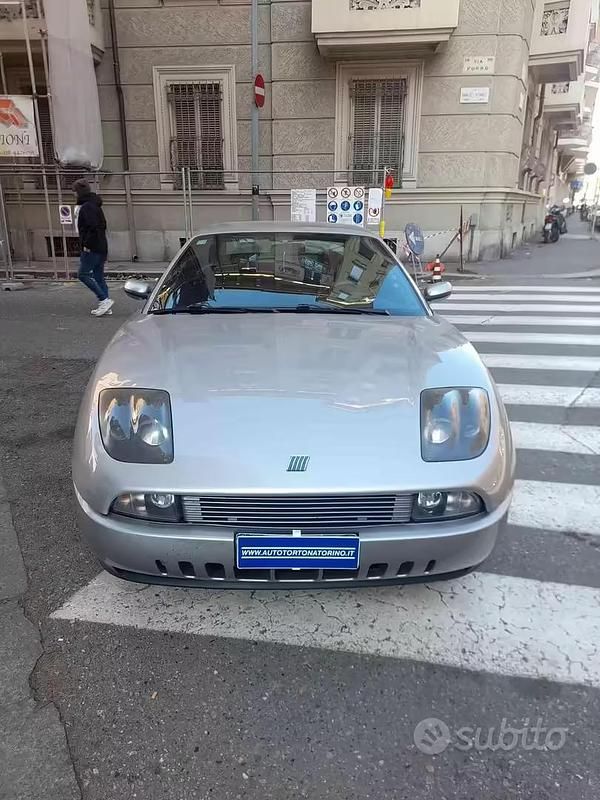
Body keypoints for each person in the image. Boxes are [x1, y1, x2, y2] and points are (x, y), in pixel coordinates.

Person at [73, 178, 113, 316]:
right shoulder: (95, 205)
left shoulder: (87, 207)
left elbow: (93, 227)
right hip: (101, 245)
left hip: (92, 247)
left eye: (75, 192)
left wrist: (86, 244)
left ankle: (104, 300)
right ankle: (105, 302)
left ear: (79, 192)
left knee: (82, 274)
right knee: (98, 275)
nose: (74, 195)